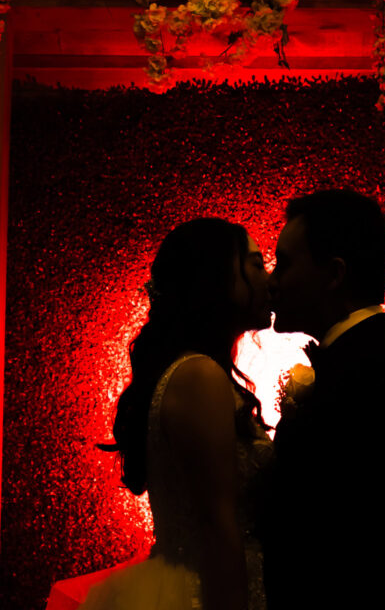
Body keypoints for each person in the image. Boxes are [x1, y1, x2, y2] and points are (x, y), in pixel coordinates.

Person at [79, 217, 272, 610]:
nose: (269, 279)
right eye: (256, 264)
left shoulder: (192, 371)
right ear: (216, 276)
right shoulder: (199, 376)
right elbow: (218, 527)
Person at [261, 188, 385, 610]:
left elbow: (327, 540)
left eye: (284, 264)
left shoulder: (371, 378)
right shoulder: (370, 362)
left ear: (334, 274)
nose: (271, 281)